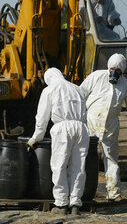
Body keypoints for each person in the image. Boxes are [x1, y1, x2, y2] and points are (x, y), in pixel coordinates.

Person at [80, 53, 127, 201]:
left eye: (118, 71)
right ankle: (80, 192)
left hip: (110, 127)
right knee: (83, 157)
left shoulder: (126, 85)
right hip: (91, 123)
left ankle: (113, 193)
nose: (114, 72)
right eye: (112, 69)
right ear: (108, 67)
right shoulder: (96, 76)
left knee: (111, 160)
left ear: (122, 71)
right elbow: (80, 94)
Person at [27, 68, 90, 215]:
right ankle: (75, 204)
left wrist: (36, 137)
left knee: (59, 166)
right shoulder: (77, 88)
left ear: (48, 78)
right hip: (81, 128)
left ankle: (61, 205)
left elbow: (42, 117)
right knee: (78, 167)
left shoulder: (49, 90)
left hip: (62, 128)